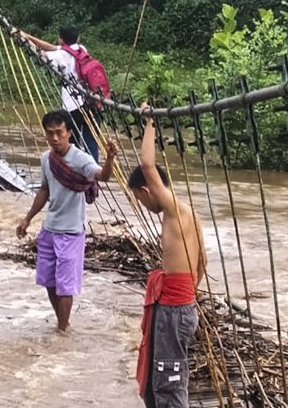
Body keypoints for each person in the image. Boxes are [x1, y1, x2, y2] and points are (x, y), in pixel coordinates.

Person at [129, 103, 206, 408]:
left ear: (148, 191)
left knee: (168, 383)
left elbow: (147, 165)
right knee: (166, 379)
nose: (143, 205)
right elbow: (203, 263)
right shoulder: (190, 213)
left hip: (174, 311)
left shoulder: (172, 209)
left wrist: (149, 122)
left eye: (139, 198)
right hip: (182, 305)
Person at [16, 110, 117, 332]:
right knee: (49, 282)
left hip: (71, 233)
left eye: (59, 133)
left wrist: (109, 158)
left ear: (69, 133)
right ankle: (63, 325)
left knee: (65, 287)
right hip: (49, 230)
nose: (55, 138)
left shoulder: (81, 159)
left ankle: (61, 332)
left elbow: (103, 176)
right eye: (50, 133)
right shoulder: (46, 159)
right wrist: (27, 219)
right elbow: (44, 190)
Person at [20, 27, 100, 162]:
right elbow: (54, 48)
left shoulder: (59, 56)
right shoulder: (81, 49)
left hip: (73, 106)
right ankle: (92, 175)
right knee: (91, 142)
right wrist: (30, 37)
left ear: (60, 39)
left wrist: (23, 39)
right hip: (91, 102)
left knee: (71, 142)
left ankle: (73, 172)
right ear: (78, 38)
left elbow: (40, 54)